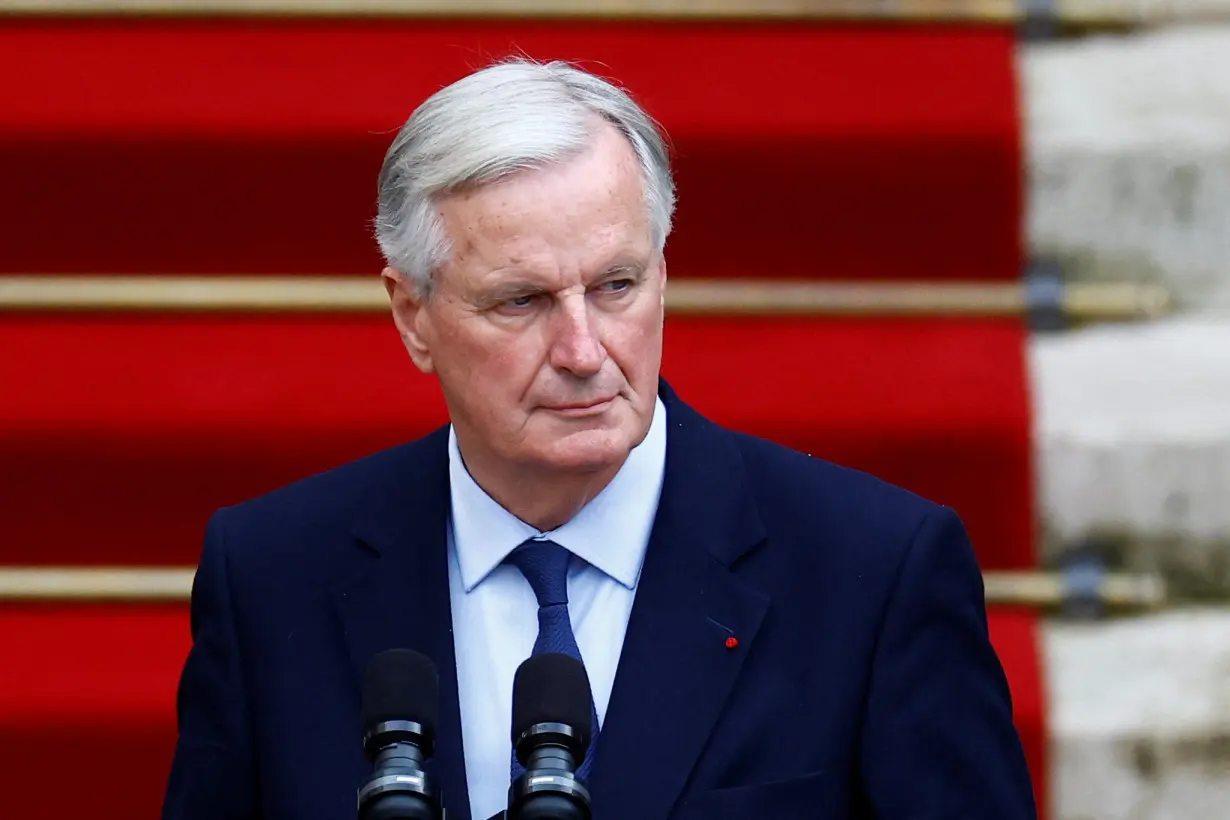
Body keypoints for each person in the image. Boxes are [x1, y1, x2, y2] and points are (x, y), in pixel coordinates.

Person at [162, 58, 1037, 820]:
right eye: (522, 301)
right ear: (412, 315)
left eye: (616, 286)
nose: (584, 352)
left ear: (663, 274)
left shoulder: (874, 573)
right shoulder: (272, 574)